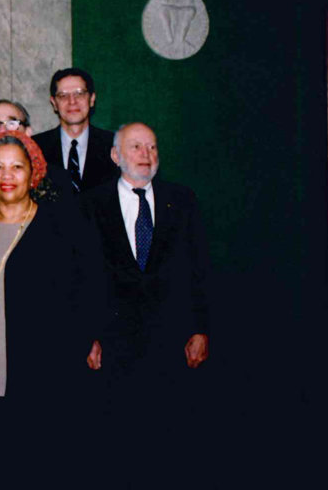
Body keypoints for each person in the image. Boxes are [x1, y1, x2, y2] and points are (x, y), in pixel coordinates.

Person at [0, 130, 103, 483]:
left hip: (42, 380)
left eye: (17, 167)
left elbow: (86, 291)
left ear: (34, 172)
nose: (7, 176)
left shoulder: (61, 225)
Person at [79, 122, 210, 454]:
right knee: (117, 441)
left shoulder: (182, 200)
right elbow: (83, 275)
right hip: (113, 345)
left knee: (172, 441)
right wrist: (88, 336)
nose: (146, 155)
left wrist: (200, 329)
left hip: (172, 342)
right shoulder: (91, 205)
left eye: (152, 147)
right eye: (136, 146)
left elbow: (199, 269)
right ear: (115, 155)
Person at [33, 68, 119, 193]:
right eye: (63, 96)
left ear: (92, 99)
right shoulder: (36, 147)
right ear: (54, 103)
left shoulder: (115, 144)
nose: (72, 101)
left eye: (79, 93)